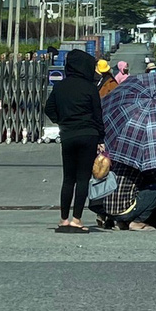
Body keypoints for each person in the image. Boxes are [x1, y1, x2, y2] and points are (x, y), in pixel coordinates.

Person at [46, 47, 106, 233]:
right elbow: (98, 115)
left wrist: (61, 120)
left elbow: (49, 109)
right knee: (83, 179)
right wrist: (101, 138)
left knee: (68, 178)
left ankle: (63, 219)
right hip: (88, 135)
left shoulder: (60, 87)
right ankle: (77, 219)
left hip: (68, 135)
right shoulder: (90, 88)